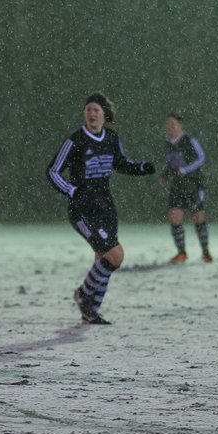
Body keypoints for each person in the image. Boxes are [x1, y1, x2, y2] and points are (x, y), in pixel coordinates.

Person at [47, 93, 156, 325]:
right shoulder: (75, 141)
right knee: (115, 256)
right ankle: (83, 295)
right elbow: (52, 171)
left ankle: (90, 310)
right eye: (88, 110)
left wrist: (141, 168)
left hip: (105, 207)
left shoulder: (111, 139)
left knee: (102, 258)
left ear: (105, 114)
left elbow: (122, 164)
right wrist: (72, 190)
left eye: (96, 110)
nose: (92, 114)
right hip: (82, 210)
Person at [160, 113, 212, 264]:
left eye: (173, 123)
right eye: (168, 124)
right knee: (174, 217)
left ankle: (206, 252)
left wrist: (186, 170)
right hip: (177, 186)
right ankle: (182, 252)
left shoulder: (190, 141)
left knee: (198, 218)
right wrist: (165, 175)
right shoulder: (169, 144)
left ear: (180, 125)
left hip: (193, 185)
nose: (170, 126)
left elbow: (202, 157)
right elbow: (170, 163)